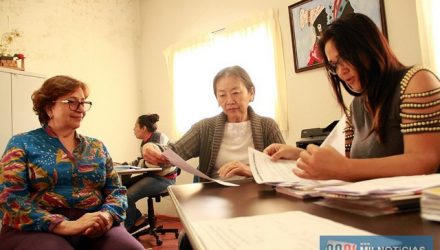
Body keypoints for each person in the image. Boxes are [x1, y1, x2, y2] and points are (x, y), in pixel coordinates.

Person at [264, 13, 440, 181]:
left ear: (369, 48)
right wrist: (297, 154)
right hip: (372, 204)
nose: (341, 71)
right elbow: (346, 162)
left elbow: (424, 161)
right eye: (334, 65)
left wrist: (344, 169)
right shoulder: (357, 105)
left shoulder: (416, 80)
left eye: (345, 58)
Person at [0, 75, 144, 250]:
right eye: (72, 102)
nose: (81, 109)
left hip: (94, 223)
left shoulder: (96, 146)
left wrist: (107, 216)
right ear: (49, 108)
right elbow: (11, 199)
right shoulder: (22, 143)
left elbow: (116, 190)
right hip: (37, 226)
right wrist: (65, 225)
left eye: (83, 102)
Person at [143, 65, 285, 180]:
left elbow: (285, 170)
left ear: (251, 93)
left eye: (235, 92)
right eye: (222, 95)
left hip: (259, 196)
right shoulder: (204, 128)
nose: (229, 101)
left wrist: (252, 171)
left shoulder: (268, 126)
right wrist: (151, 148)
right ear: (217, 98)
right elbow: (174, 152)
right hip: (215, 198)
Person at [121, 114, 177, 233]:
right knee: (121, 190)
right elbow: (145, 161)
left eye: (135, 126)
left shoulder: (158, 139)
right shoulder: (146, 142)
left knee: (127, 196)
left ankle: (129, 229)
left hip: (165, 178)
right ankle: (138, 218)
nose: (133, 129)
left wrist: (138, 164)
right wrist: (126, 164)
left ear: (144, 128)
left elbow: (158, 164)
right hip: (153, 176)